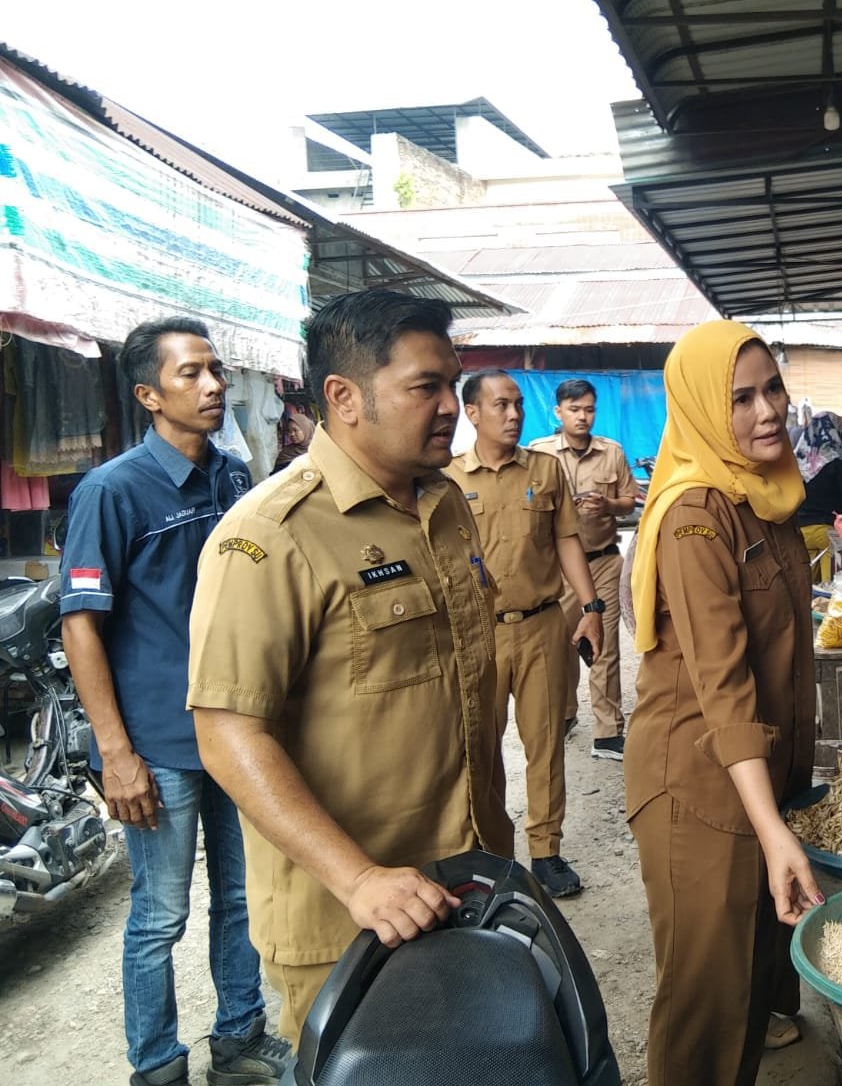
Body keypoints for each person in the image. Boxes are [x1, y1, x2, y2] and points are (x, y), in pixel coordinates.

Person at [187, 291, 515, 1048]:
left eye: (450, 383)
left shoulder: (444, 504)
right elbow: (228, 732)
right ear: (344, 397)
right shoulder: (270, 536)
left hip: (463, 882)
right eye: (424, 387)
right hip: (351, 919)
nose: (450, 408)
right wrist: (360, 879)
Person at [60, 317, 289, 1086]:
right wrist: (115, 755)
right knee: (160, 916)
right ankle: (157, 1066)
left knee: (240, 897)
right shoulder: (112, 491)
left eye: (216, 369)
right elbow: (81, 627)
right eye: (191, 373)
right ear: (149, 394)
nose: (215, 385)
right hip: (157, 744)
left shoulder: (231, 475)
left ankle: (239, 1040)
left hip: (234, 731)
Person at [626, 320, 823, 1086]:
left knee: (750, 992)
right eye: (739, 398)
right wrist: (773, 831)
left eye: (772, 387)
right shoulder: (695, 515)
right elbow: (724, 684)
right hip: (700, 790)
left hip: (759, 778)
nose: (766, 410)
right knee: (705, 1012)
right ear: (704, 409)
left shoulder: (764, 500)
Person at [448, 371, 604, 897]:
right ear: (472, 412)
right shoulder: (447, 478)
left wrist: (591, 606)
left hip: (541, 627)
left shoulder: (545, 469)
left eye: (517, 405)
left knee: (545, 745)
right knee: (481, 750)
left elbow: (566, 541)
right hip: (478, 636)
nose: (513, 414)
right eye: (500, 405)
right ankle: (493, 854)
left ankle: (546, 851)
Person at [529, 379, 639, 762]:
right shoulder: (538, 455)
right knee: (560, 647)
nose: (583, 417)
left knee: (603, 648)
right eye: (575, 410)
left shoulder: (612, 452)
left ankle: (608, 732)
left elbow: (630, 500)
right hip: (557, 570)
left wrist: (609, 507)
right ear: (558, 412)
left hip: (604, 561)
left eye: (589, 409)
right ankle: (564, 714)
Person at [792, 411, 842, 583]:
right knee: (829, 587)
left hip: (801, 531)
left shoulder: (797, 459)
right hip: (829, 532)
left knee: (806, 589)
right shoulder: (838, 461)